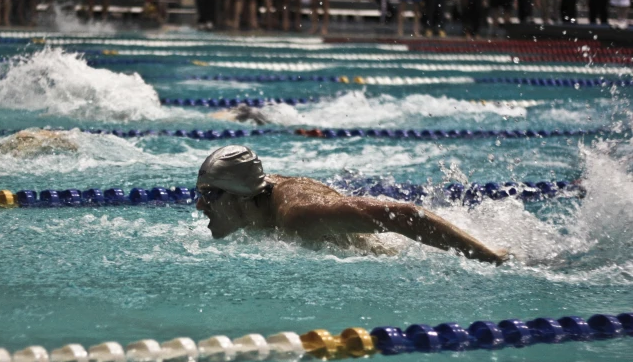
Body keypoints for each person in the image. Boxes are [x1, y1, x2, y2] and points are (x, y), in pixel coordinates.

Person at [195, 146, 508, 264]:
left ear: (238, 197)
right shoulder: (258, 195)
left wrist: (490, 257)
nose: (199, 206)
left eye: (209, 197)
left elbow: (403, 215)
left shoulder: (297, 215)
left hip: (397, 255)